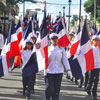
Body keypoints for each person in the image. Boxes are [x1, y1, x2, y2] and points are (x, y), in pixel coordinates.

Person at [45, 33, 72, 100]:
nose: (54, 40)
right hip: (49, 71)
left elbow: (65, 60)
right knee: (49, 88)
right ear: (50, 40)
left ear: (58, 39)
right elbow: (43, 60)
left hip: (59, 71)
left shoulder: (61, 49)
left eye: (56, 39)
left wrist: (68, 69)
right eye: (53, 39)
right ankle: (48, 98)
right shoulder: (47, 49)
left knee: (57, 89)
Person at [86, 35, 100, 100]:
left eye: (97, 40)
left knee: (96, 80)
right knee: (91, 79)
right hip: (91, 66)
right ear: (92, 41)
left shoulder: (99, 48)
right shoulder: (90, 48)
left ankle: (94, 92)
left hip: (98, 66)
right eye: (95, 40)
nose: (96, 41)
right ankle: (88, 88)